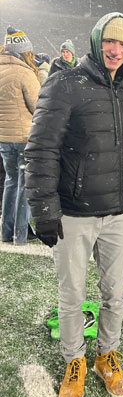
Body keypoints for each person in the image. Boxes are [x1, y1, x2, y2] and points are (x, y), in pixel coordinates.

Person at [25, 13, 123, 397]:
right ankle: (75, 361)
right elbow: (40, 149)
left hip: (117, 214)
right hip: (73, 213)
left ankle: (107, 355)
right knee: (71, 296)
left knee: (114, 296)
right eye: (110, 41)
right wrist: (44, 208)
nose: (116, 50)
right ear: (95, 41)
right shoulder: (65, 83)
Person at [0, 26, 40, 244]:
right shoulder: (24, 72)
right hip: (24, 138)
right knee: (25, 186)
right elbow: (37, 106)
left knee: (10, 182)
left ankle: (6, 232)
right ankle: (20, 235)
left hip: (4, 138)